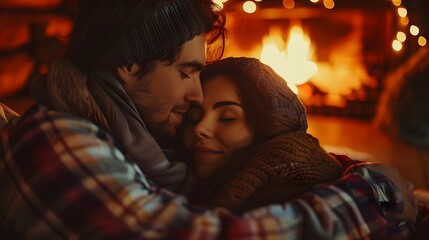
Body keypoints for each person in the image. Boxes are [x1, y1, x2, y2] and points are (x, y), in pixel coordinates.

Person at [0, 0, 418, 239]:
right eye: (185, 72)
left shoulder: (127, 135)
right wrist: (371, 196)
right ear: (129, 63)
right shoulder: (60, 140)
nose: (196, 95)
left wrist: (342, 170)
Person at [182, 57, 343, 213]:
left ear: (266, 127)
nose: (199, 128)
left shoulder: (289, 189)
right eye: (193, 117)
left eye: (227, 118)